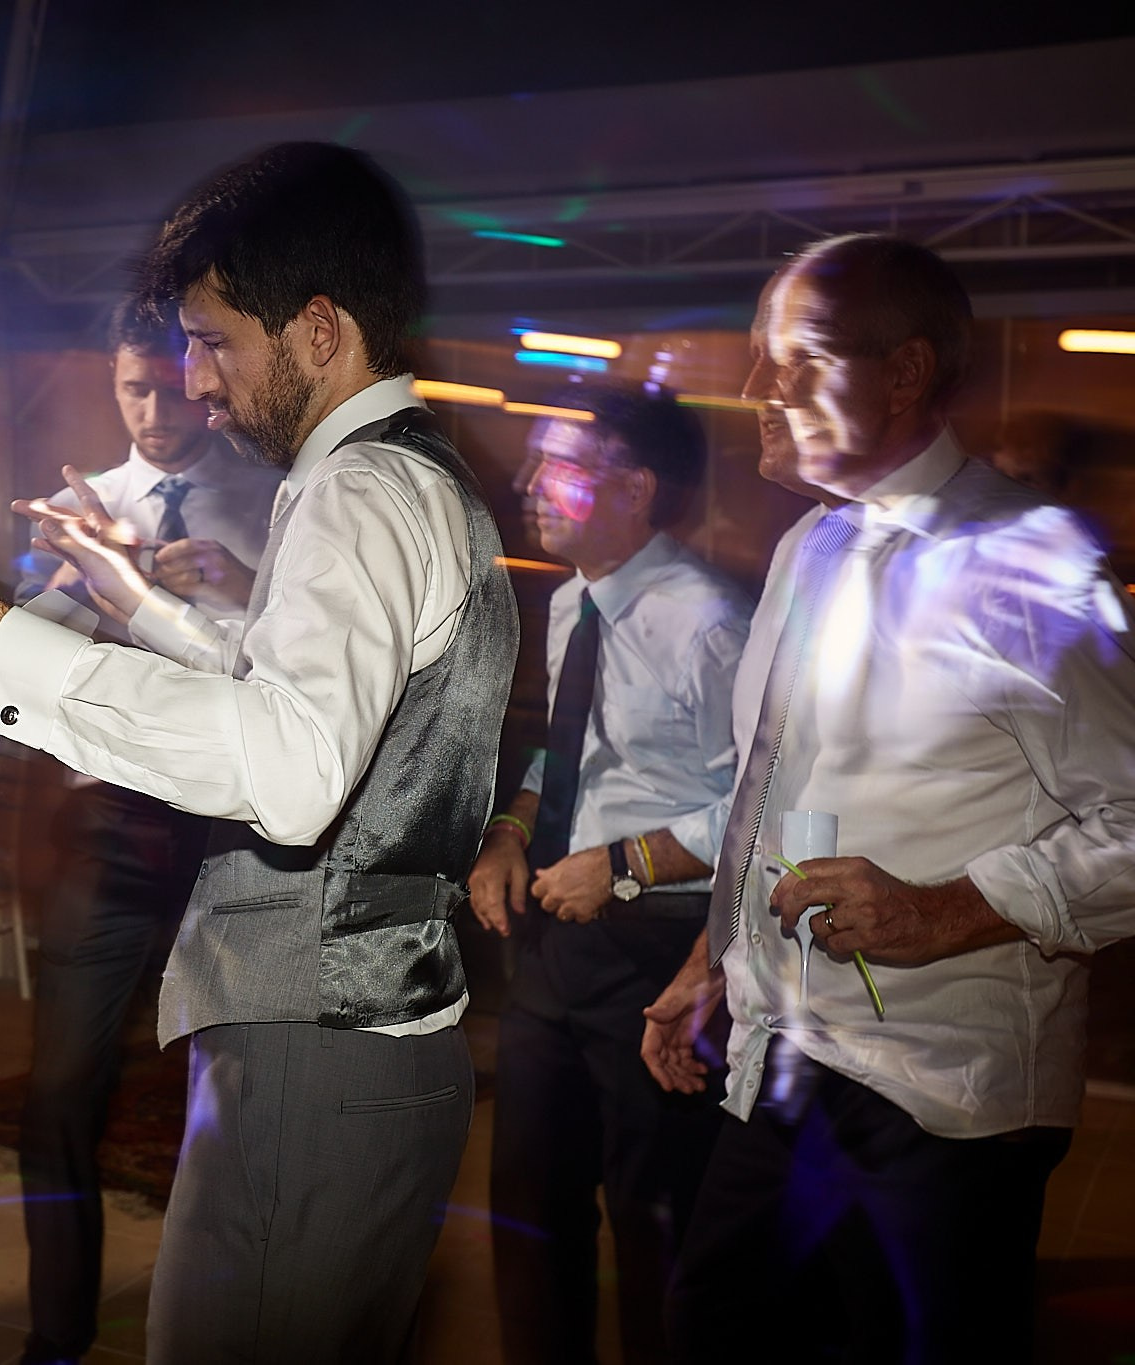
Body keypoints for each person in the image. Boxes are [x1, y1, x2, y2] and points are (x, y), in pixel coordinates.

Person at [0, 141, 518, 1364]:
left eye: (213, 341)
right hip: (365, 1040)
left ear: (319, 329)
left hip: (317, 1048)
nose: (194, 381)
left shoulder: (354, 492)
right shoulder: (414, 474)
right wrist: (134, 600)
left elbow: (288, 772)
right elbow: (305, 697)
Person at [643, 234, 1135, 1364]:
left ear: (903, 374)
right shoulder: (810, 545)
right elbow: (775, 781)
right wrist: (713, 960)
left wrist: (940, 911)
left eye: (793, 362)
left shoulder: (1022, 565)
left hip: (935, 1099)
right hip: (784, 1054)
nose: (757, 393)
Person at [16, 297, 280, 1365]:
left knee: (234, 1095)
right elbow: (25, 661)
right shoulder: (84, 507)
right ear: (110, 386)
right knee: (56, 1095)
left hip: (229, 831)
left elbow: (319, 669)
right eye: (131, 388)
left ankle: (227, 1323)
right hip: (107, 827)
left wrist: (237, 584)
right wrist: (79, 579)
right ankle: (55, 1335)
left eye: (168, 384)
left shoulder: (271, 494)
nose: (154, 409)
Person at [468, 387, 745, 1365]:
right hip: (557, 939)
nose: (526, 483)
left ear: (632, 488)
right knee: (528, 1212)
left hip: (659, 950)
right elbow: (568, 754)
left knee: (653, 1220)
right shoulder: (567, 599)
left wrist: (624, 864)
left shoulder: (705, 622)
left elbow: (767, 804)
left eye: (558, 466)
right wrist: (509, 830)